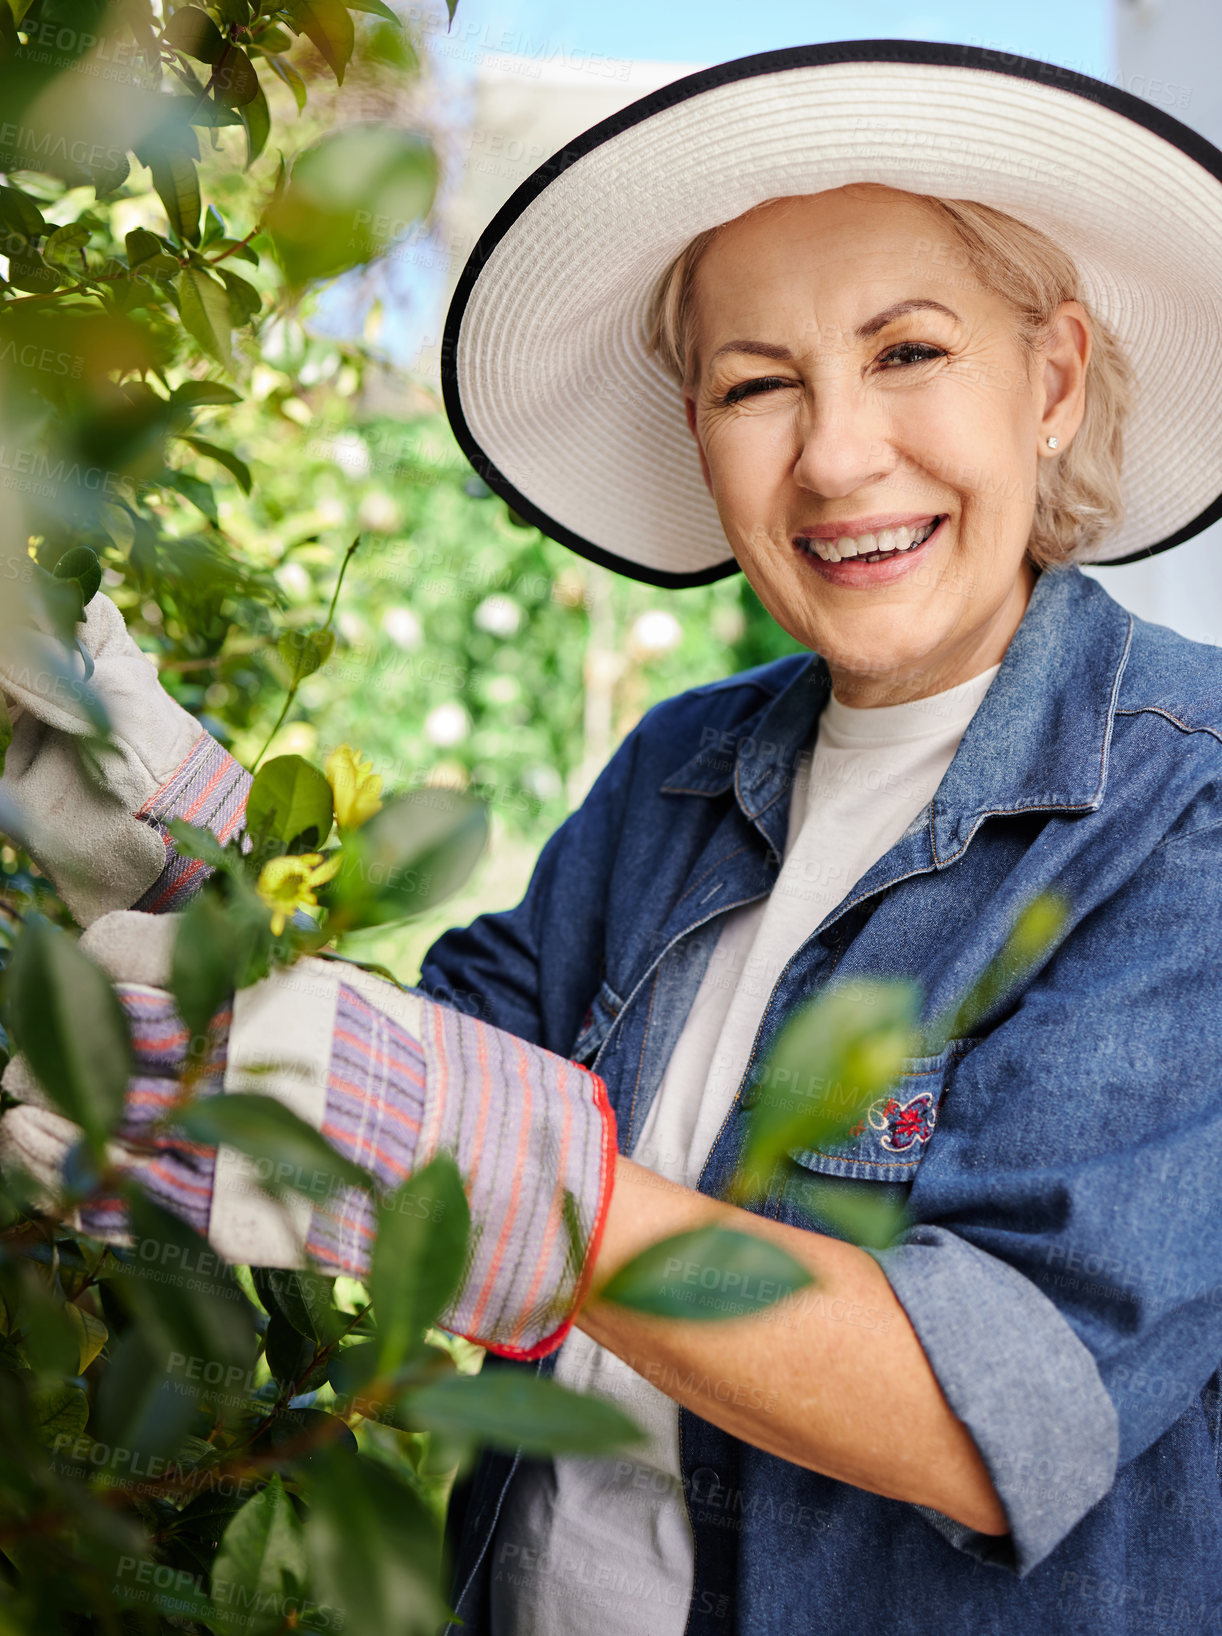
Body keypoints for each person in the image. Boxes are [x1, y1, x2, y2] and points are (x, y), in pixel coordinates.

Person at [4, 37, 1222, 1636]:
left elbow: (988, 1411)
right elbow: (427, 1067)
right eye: (755, 382)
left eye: (910, 352)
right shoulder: (682, 768)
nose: (838, 453)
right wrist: (146, 845)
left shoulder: (1181, 815)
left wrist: (497, 1181)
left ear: (1051, 380)